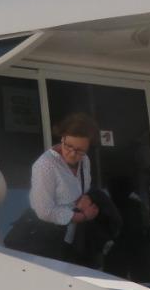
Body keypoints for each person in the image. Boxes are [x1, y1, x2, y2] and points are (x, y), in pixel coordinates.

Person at [8, 113, 118, 267]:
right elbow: (44, 210)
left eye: (80, 150)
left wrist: (85, 198)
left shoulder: (84, 161)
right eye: (69, 146)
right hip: (47, 239)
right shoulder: (46, 165)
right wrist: (82, 217)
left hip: (72, 239)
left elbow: (82, 188)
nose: (73, 154)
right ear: (62, 138)